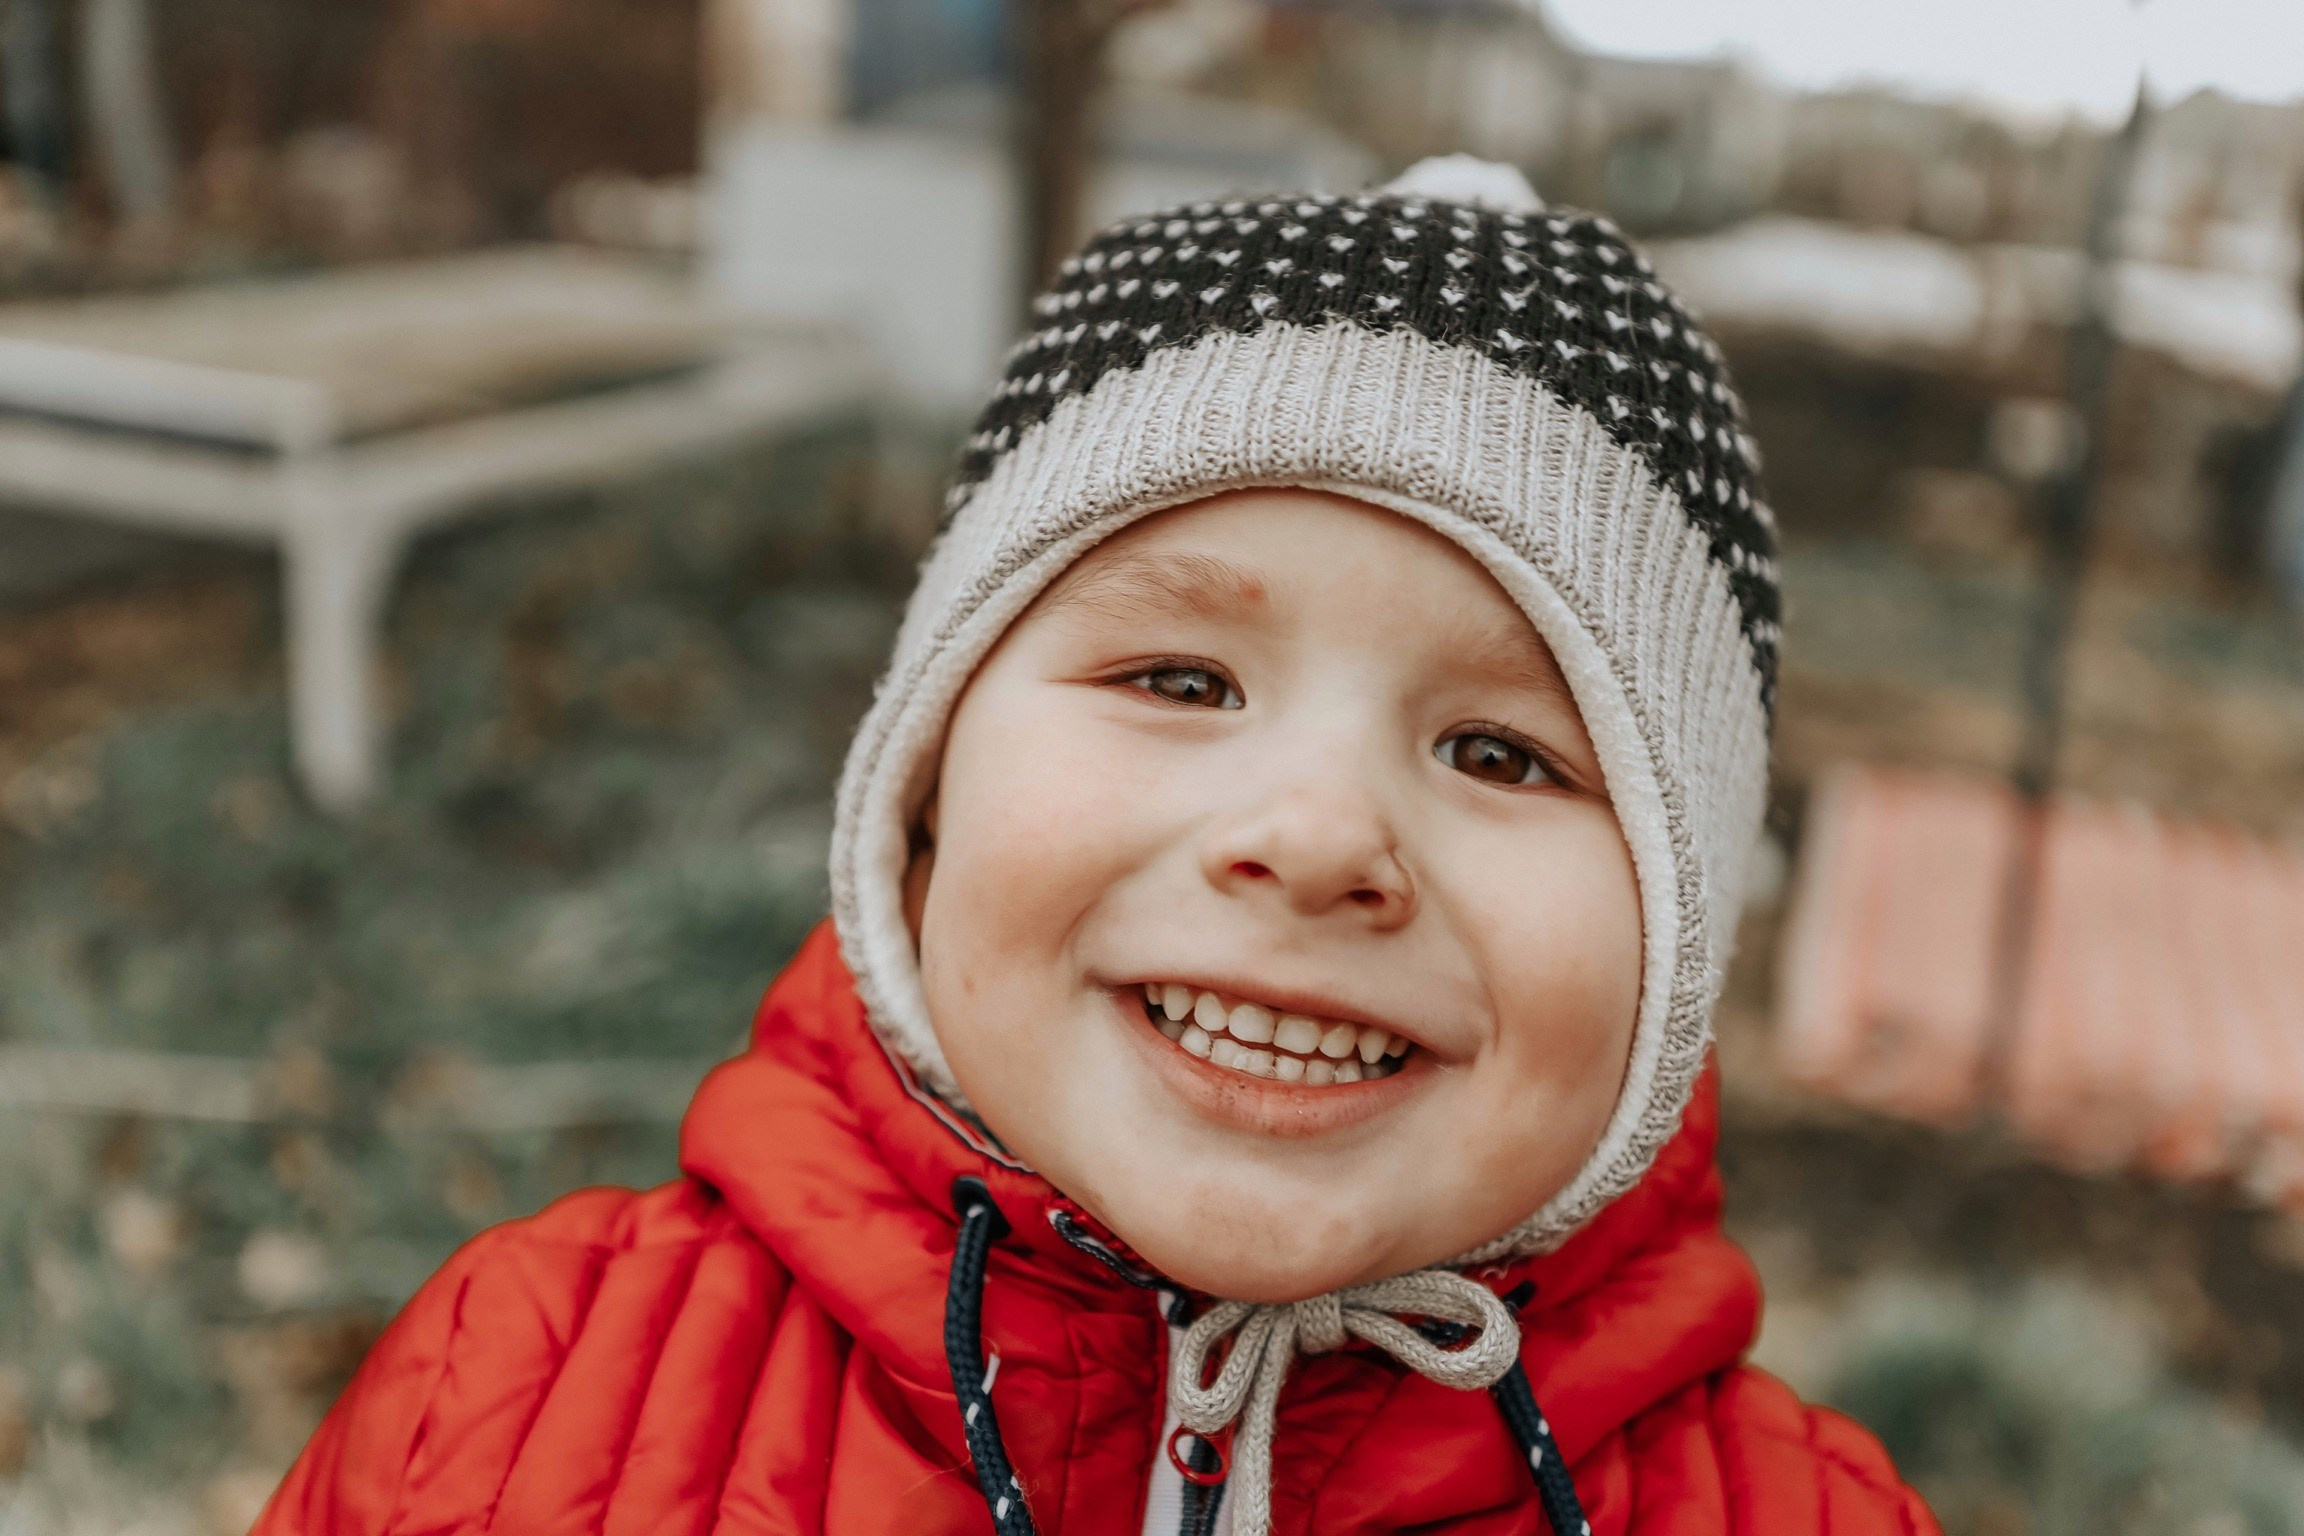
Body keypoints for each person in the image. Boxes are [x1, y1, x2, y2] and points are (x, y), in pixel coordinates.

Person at [253, 157, 1935, 1536]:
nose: (1318, 835)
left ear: (1683, 943)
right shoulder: (509, 1411)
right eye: (1183, 679)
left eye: (1501, 753)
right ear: (922, 785)